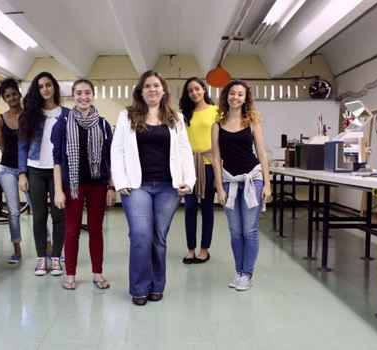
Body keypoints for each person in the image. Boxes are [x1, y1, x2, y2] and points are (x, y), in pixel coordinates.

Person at [111, 70, 196, 306]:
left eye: (156, 86)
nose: (152, 90)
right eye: (147, 86)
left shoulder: (175, 118)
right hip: (137, 186)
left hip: (168, 187)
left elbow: (184, 150)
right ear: (141, 91)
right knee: (140, 235)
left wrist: (189, 180)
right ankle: (139, 288)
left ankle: (156, 285)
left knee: (159, 238)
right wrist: (121, 181)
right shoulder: (126, 116)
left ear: (163, 90)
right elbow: (117, 150)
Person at [52, 79, 115, 290]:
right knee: (72, 230)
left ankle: (98, 273)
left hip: (98, 184)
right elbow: (57, 159)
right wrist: (59, 190)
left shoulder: (103, 124)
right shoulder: (63, 122)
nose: (83, 97)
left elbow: (110, 158)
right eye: (79, 93)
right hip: (73, 185)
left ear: (93, 95)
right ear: (73, 96)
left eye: (87, 93)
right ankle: (70, 274)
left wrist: (111, 187)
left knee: (96, 230)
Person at [211, 80, 272, 291]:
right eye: (232, 93)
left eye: (240, 94)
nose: (235, 97)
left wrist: (267, 184)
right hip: (230, 182)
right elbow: (216, 159)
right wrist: (219, 187)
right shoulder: (217, 126)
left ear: (245, 99)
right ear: (226, 96)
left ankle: (247, 274)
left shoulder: (252, 123)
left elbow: (262, 154)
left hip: (252, 180)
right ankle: (239, 272)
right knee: (235, 231)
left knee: (250, 230)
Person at [18, 72, 69, 276]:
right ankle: (41, 258)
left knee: (59, 215)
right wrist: (22, 174)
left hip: (59, 171)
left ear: (54, 87)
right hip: (35, 169)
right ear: (37, 91)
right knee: (39, 216)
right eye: (41, 86)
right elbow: (22, 146)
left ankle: (56, 258)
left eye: (49, 85)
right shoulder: (29, 115)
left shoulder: (67, 114)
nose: (45, 89)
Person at [179, 77, 218, 264]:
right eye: (190, 91)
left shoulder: (215, 111)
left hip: (210, 164)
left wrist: (214, 151)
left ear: (204, 89)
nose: (194, 93)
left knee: (207, 207)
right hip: (190, 166)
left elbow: (221, 138)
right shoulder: (185, 114)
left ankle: (204, 249)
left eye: (197, 89)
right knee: (190, 207)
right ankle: (190, 249)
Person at [0, 78, 24, 264]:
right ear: (5, 99)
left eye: (14, 94)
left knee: (37, 208)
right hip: (7, 169)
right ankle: (17, 249)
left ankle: (46, 246)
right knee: (13, 211)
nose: (12, 97)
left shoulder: (29, 116)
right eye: (8, 96)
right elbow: (3, 147)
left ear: (19, 94)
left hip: (27, 169)